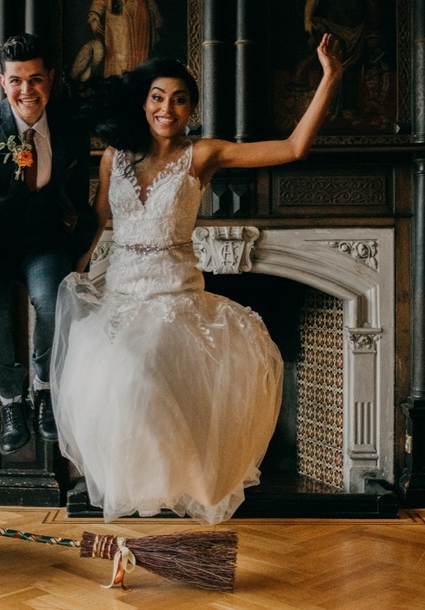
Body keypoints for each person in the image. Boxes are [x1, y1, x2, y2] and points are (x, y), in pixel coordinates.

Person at [51, 34, 343, 524]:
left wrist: (330, 77)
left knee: (146, 381)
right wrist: (73, 268)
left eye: (180, 100)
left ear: (191, 111)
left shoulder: (203, 155)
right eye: (158, 97)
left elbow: (294, 148)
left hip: (174, 297)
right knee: (113, 385)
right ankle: (148, 495)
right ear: (143, 102)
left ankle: (178, 490)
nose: (167, 108)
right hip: (121, 297)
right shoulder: (113, 157)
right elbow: (100, 217)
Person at [0, 33, 95, 455]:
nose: (28, 90)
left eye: (36, 79)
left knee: (54, 300)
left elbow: (78, 194)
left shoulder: (69, 126)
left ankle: (43, 385)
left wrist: (79, 248)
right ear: (3, 83)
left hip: (43, 241)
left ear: (51, 79)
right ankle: (10, 397)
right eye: (17, 81)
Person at [86, 0, 162, 78]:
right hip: (118, 18)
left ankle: (139, 83)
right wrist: (94, 15)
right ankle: (119, 83)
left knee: (141, 58)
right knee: (120, 59)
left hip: (140, 14)